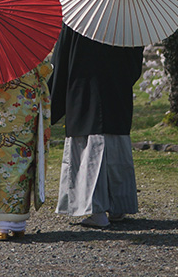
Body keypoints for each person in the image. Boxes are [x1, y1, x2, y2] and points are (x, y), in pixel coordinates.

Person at [48, 23, 145, 228]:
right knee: (116, 148)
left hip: (84, 89)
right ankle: (118, 207)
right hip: (116, 89)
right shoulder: (128, 19)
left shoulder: (78, 18)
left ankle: (96, 210)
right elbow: (135, 65)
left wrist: (51, 104)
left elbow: (61, 61)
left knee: (89, 151)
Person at [0, 61, 52, 241]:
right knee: (23, 165)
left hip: (0, 118)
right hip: (26, 115)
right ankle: (19, 225)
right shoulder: (31, 52)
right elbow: (46, 71)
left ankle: (2, 226)